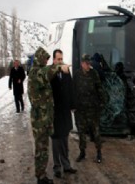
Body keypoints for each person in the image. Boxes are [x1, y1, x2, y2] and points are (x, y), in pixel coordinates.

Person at [27, 47, 70, 184]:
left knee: (43, 149)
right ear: (40, 59)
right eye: (45, 60)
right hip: (40, 120)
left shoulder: (39, 71)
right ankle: (40, 178)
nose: (46, 62)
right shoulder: (35, 73)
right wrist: (58, 66)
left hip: (44, 119)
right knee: (41, 150)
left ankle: (42, 175)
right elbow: (46, 72)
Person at [73, 54, 106, 163]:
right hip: (81, 109)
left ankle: (99, 153)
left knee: (96, 131)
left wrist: (102, 102)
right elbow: (73, 90)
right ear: (82, 63)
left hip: (92, 108)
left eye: (89, 63)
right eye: (86, 63)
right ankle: (82, 152)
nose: (88, 65)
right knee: (81, 132)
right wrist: (73, 105)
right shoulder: (77, 74)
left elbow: (99, 88)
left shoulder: (94, 74)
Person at [50, 49, 77, 178]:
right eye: (58, 59)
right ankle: (57, 167)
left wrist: (73, 105)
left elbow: (71, 88)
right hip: (54, 113)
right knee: (56, 141)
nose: (61, 61)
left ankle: (66, 165)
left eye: (62, 59)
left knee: (65, 139)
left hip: (65, 112)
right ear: (54, 60)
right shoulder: (49, 72)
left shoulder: (66, 71)